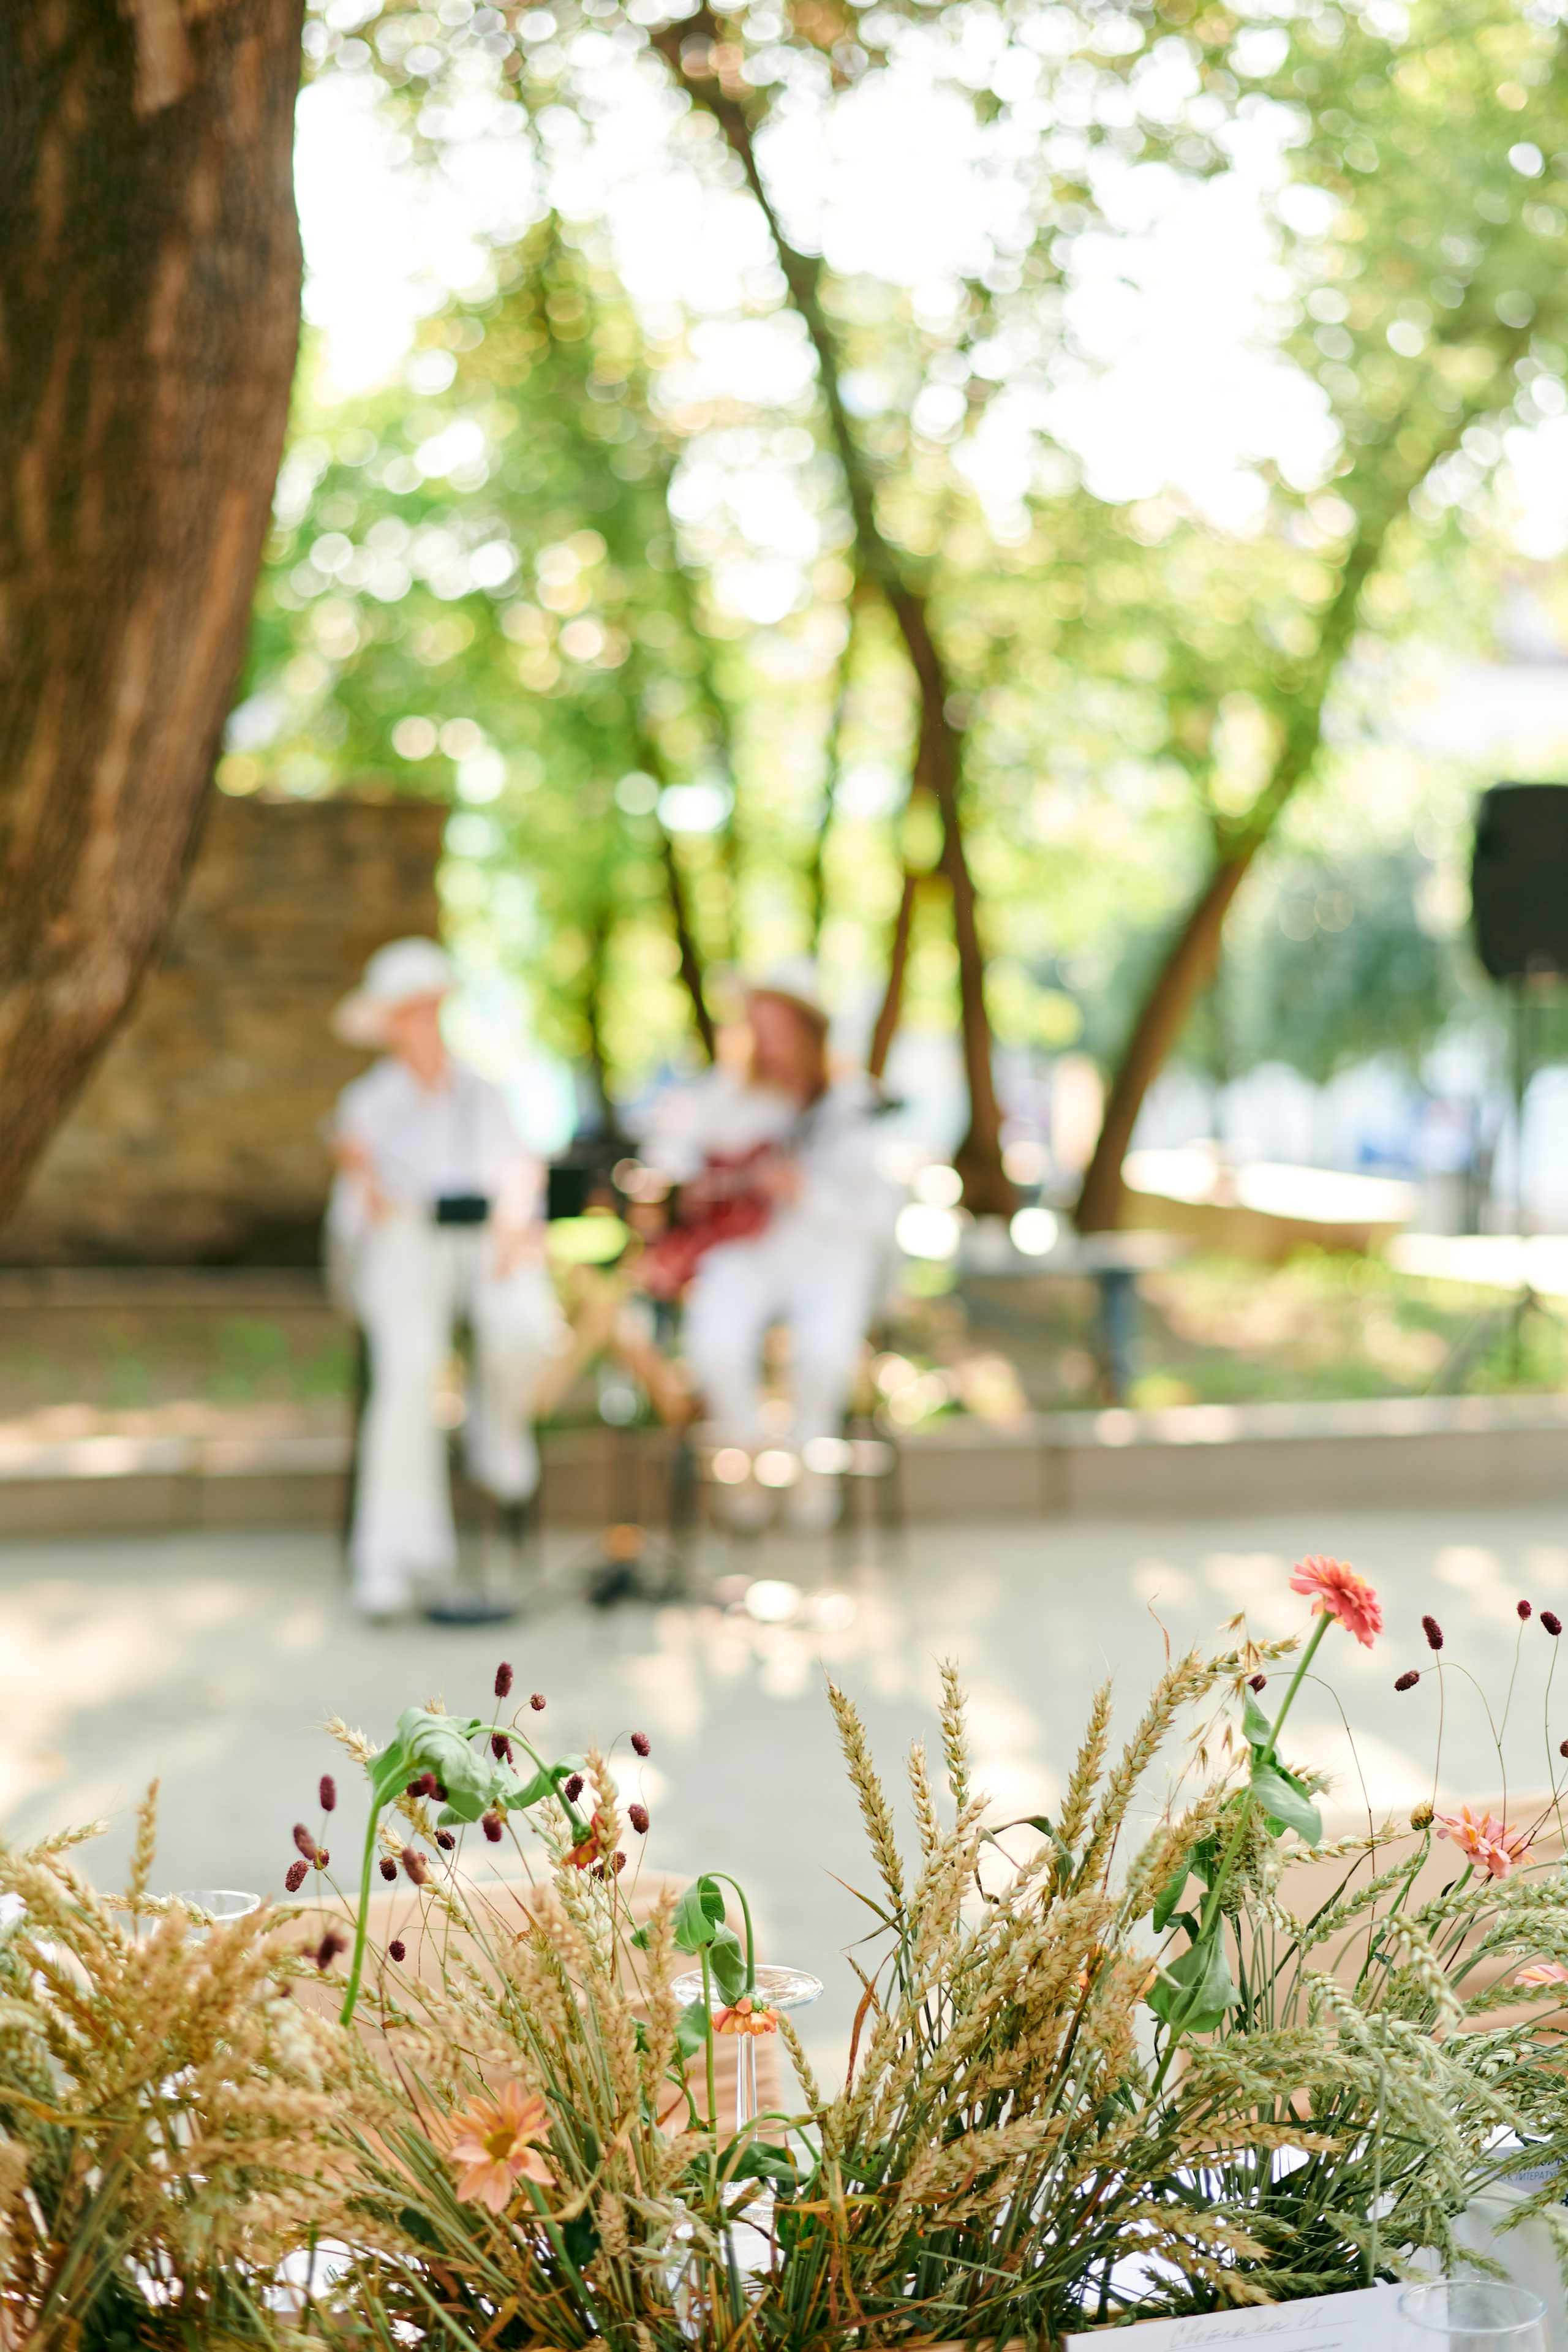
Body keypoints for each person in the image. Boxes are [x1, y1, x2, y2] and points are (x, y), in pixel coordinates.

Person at [326, 938, 565, 1616]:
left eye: (429, 1007)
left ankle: (500, 1429)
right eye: (408, 1011)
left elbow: (521, 1171)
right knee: (410, 1369)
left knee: (530, 1329)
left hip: (485, 1243)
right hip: (405, 1247)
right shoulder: (367, 1102)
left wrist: (517, 1225)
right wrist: (366, 1186)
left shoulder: (483, 1093)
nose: (422, 1022)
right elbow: (360, 1215)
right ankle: (391, 1555)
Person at [641, 962, 897, 1532]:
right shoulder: (727, 1095)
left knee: (824, 1355)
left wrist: (807, 1192)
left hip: (827, 1256)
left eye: (779, 1028)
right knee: (714, 1347)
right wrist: (693, 1187)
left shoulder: (851, 1104)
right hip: (744, 1256)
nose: (768, 1042)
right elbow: (671, 1160)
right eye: (758, 1027)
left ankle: (810, 1462)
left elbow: (877, 1212)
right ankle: (746, 1457)